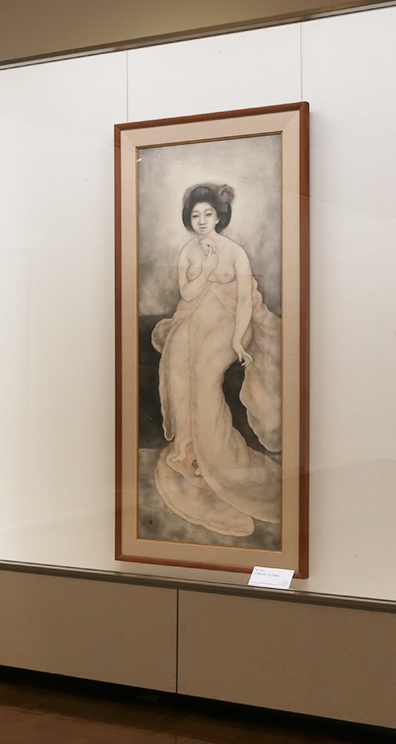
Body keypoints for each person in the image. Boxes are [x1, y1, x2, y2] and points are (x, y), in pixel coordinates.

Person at [151, 183, 282, 537]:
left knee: (205, 377)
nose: (202, 221)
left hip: (230, 324)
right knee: (177, 369)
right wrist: (207, 269)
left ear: (218, 217)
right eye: (195, 215)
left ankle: (222, 462)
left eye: (208, 214)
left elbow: (244, 302)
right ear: (189, 219)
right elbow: (187, 293)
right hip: (192, 320)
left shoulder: (235, 252)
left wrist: (238, 338)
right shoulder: (188, 252)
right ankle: (187, 451)